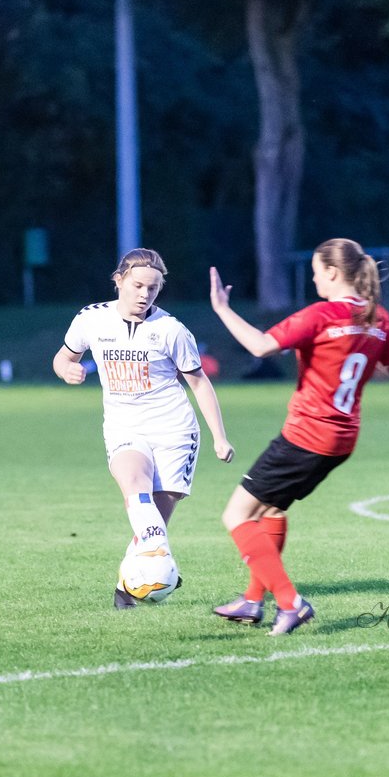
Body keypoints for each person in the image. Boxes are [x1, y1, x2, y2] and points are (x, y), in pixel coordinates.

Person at [208, 238, 389, 635]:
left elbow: (261, 346)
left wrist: (223, 309)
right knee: (270, 511)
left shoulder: (321, 315)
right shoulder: (378, 317)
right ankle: (252, 602)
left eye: (317, 273)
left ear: (334, 273)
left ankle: (291, 603)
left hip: (306, 435)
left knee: (235, 515)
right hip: (341, 440)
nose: (315, 280)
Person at [54, 248, 235, 609]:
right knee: (135, 490)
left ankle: (128, 586)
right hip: (124, 425)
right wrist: (65, 370)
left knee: (153, 521)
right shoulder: (91, 319)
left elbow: (199, 382)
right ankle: (158, 565)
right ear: (119, 280)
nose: (144, 295)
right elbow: (64, 356)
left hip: (174, 431)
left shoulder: (170, 330)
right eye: (137, 285)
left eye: (152, 289)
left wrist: (219, 436)